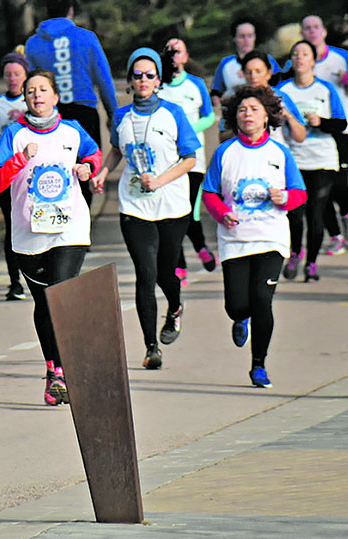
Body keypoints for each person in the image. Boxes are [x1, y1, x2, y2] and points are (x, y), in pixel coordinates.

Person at [0, 69, 101, 405]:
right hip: (29, 234)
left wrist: (88, 168)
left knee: (59, 295)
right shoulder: (15, 134)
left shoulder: (73, 130)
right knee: (44, 302)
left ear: (55, 96)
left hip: (70, 229)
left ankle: (64, 371)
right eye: (31, 91)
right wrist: (21, 159)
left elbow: (93, 155)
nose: (37, 95)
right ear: (25, 98)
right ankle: (53, 367)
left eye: (43, 90)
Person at [92, 48, 200, 370]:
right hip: (134, 205)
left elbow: (190, 159)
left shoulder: (173, 113)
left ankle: (175, 307)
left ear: (158, 80)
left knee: (166, 272)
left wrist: (161, 180)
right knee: (145, 273)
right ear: (129, 80)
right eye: (137, 75)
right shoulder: (122, 116)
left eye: (149, 75)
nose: (143, 80)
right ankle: (151, 347)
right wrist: (102, 173)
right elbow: (116, 150)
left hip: (172, 205)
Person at [203, 85, 307, 388]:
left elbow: (300, 193)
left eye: (254, 109)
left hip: (271, 238)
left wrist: (283, 198)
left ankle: (258, 365)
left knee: (262, 300)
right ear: (235, 116)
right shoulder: (225, 152)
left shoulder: (279, 152)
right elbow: (209, 193)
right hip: (235, 239)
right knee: (236, 305)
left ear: (266, 117)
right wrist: (222, 213)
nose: (247, 114)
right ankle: (240, 318)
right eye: (242, 110)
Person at [26, 0, 118, 207]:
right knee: (86, 168)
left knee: (52, 170)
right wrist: (113, 114)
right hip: (84, 113)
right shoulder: (86, 37)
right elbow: (104, 79)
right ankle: (81, 217)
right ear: (71, 10)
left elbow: (30, 83)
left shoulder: (33, 43)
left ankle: (55, 215)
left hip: (50, 115)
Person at [276, 40, 346, 282]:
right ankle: (295, 252)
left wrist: (321, 122)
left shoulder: (326, 89)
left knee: (316, 213)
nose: (299, 58)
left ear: (314, 61)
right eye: (295, 54)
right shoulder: (283, 90)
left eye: (305, 54)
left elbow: (341, 123)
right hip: (294, 159)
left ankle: (312, 263)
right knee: (294, 214)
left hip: (322, 159)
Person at [298, 15, 348, 257]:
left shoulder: (340, 57)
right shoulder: (299, 59)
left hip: (341, 129)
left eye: (316, 27)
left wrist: (346, 79)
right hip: (312, 135)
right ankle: (335, 236)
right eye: (307, 28)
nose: (312, 31)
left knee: (339, 183)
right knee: (319, 189)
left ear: (324, 31)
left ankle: (346, 213)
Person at [160, 38, 218, 285]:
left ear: (185, 56)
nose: (174, 55)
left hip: (193, 160)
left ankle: (200, 245)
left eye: (178, 51)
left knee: (189, 210)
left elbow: (209, 116)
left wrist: (186, 130)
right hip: (166, 162)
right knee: (172, 212)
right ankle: (179, 264)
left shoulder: (196, 84)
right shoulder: (158, 85)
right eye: (169, 51)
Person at [0, 50, 30, 301]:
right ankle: (15, 282)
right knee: (12, 226)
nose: (12, 79)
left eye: (17, 74)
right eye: (8, 74)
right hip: (6, 172)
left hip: (31, 171)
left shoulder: (33, 98)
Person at [211, 17, 281, 135]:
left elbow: (280, 85)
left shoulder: (268, 60)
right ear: (234, 38)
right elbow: (216, 92)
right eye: (242, 36)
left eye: (250, 36)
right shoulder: (226, 64)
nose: (246, 40)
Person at [240, 50, 308, 146]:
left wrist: (288, 116)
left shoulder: (281, 97)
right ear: (243, 74)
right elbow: (223, 135)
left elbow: (301, 137)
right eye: (249, 72)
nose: (253, 76)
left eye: (258, 71)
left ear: (269, 73)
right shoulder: (238, 100)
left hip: (277, 151)